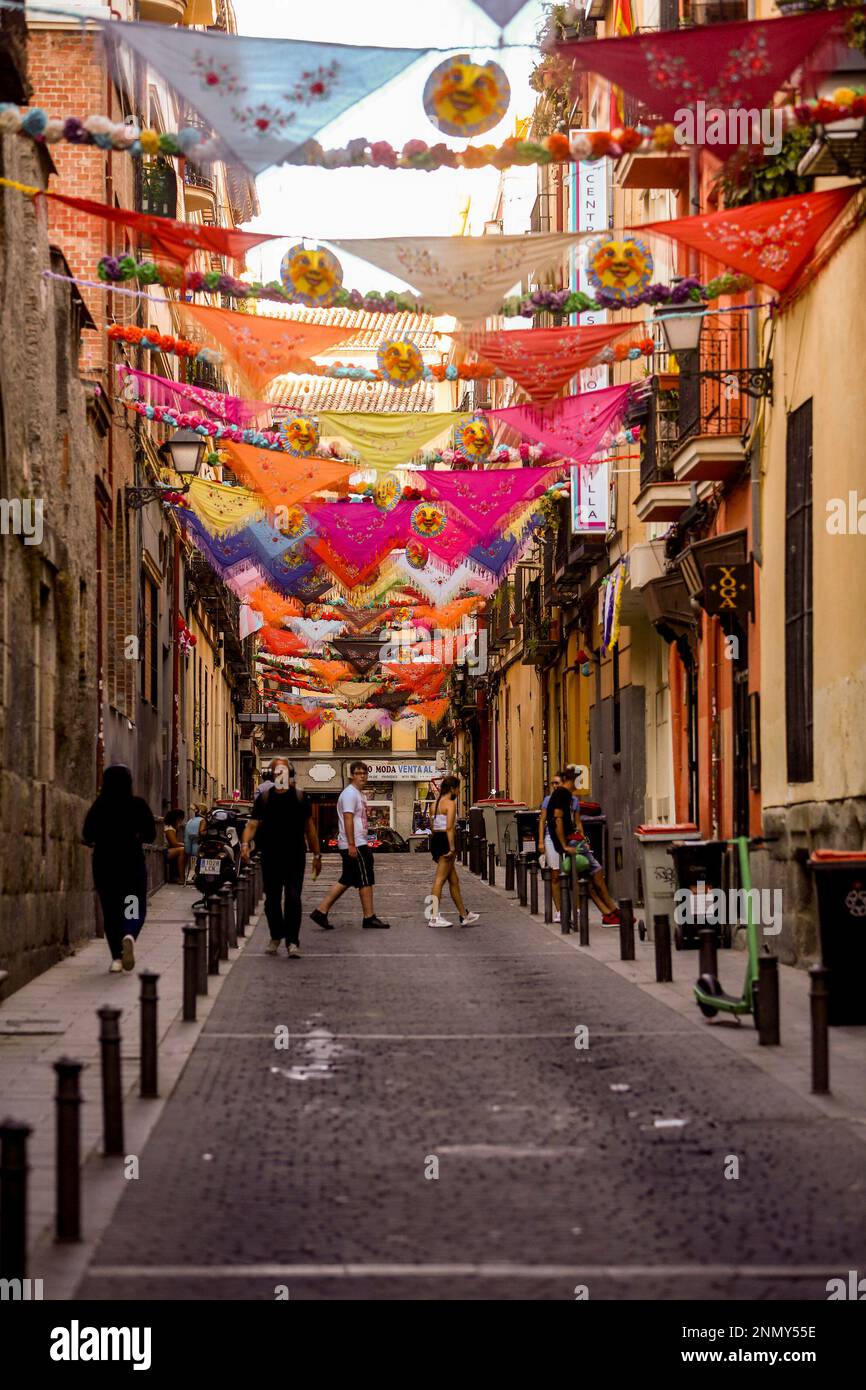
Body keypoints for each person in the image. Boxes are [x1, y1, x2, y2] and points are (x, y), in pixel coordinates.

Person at [242, 759, 320, 958]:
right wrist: (245, 844)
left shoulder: (301, 798)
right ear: (273, 775)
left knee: (293, 898)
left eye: (284, 772)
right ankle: (276, 935)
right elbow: (252, 824)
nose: (280, 776)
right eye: (277, 772)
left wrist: (317, 854)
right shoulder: (265, 799)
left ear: (289, 774)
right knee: (272, 900)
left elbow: (310, 828)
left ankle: (292, 941)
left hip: (295, 856)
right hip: (270, 855)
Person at [82, 765, 157, 973]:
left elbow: (87, 835)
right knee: (132, 904)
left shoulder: (99, 806)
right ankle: (129, 934)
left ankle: (116, 958)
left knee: (111, 911)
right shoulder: (137, 805)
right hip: (131, 865)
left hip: (105, 867)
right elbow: (150, 834)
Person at [310, 761, 390, 930]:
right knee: (366, 878)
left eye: (365, 773)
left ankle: (321, 911)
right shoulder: (350, 794)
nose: (362, 776)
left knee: (347, 878)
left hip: (357, 842)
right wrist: (352, 844)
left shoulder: (359, 794)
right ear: (352, 775)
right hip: (355, 844)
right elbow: (347, 818)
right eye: (359, 773)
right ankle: (369, 917)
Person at [547, 767, 620, 924]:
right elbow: (557, 820)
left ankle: (608, 914)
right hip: (572, 841)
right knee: (597, 872)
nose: (580, 784)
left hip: (573, 840)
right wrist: (564, 845)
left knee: (586, 880)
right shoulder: (562, 794)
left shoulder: (562, 795)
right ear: (573, 780)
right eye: (579, 780)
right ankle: (614, 911)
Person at [427, 775, 479, 928]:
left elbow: (432, 825)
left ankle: (464, 914)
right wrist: (452, 847)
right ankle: (434, 917)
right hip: (445, 841)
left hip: (436, 838)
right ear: (452, 788)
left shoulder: (434, 804)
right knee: (439, 880)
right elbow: (449, 827)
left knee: (454, 880)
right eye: (457, 788)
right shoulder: (450, 803)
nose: (458, 791)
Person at [184, 804, 207, 885]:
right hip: (201, 849)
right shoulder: (203, 821)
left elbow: (186, 839)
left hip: (191, 850)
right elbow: (202, 833)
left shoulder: (190, 821)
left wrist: (187, 850)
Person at [163, 809, 187, 884]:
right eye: (180, 820)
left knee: (183, 850)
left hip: (167, 850)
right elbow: (174, 843)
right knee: (182, 850)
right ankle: (181, 878)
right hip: (164, 851)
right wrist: (185, 845)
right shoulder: (169, 828)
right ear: (177, 819)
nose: (181, 822)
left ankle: (177, 876)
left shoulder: (171, 828)